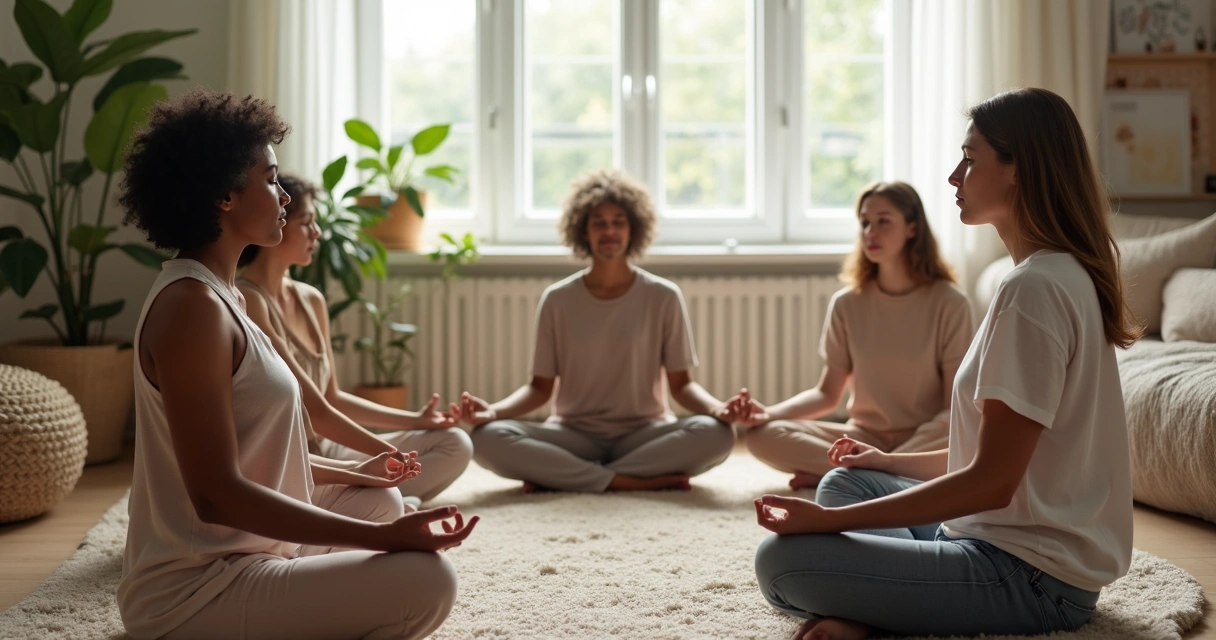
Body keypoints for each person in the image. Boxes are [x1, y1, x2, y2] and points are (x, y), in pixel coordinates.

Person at [752, 87, 1140, 639]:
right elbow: (992, 458)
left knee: (780, 563)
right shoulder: (1052, 274)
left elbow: (991, 482)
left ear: (1016, 170)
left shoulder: (1033, 291)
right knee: (846, 480)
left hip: (1029, 577)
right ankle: (894, 603)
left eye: (970, 158)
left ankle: (882, 615)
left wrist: (831, 525)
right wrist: (885, 462)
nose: (955, 177)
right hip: (993, 538)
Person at [116, 89, 477, 640]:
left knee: (378, 500)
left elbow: (262, 459)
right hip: (192, 591)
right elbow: (215, 494)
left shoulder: (224, 298)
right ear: (225, 196)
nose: (284, 196)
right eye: (271, 179)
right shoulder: (192, 309)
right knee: (428, 580)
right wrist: (388, 543)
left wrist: (359, 473)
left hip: (250, 553)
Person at [459, 169, 736, 492]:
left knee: (717, 434)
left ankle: (566, 476)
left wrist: (718, 408)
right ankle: (623, 480)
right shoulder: (557, 300)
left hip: (645, 434)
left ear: (633, 228)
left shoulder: (664, 296)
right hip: (573, 435)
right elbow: (539, 389)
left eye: (618, 221)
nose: (609, 231)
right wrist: (493, 411)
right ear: (583, 231)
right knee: (485, 438)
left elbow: (682, 386)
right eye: (598, 222)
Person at [237, 174, 472, 503]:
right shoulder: (249, 300)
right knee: (386, 493)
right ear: (275, 223)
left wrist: (416, 420)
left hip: (328, 446)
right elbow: (316, 411)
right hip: (295, 459)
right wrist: (391, 454)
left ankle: (383, 500)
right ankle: (387, 501)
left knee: (454, 442)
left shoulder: (310, 299)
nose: (316, 233)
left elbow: (332, 397)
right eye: (306, 223)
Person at [725, 181, 973, 490]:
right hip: (864, 435)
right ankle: (878, 477)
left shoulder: (950, 302)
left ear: (912, 228)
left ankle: (860, 474)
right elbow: (827, 394)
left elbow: (955, 407)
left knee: (965, 432)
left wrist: (889, 456)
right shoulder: (847, 303)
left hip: (925, 436)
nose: (871, 231)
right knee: (763, 437)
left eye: (884, 221)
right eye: (865, 222)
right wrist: (767, 413)